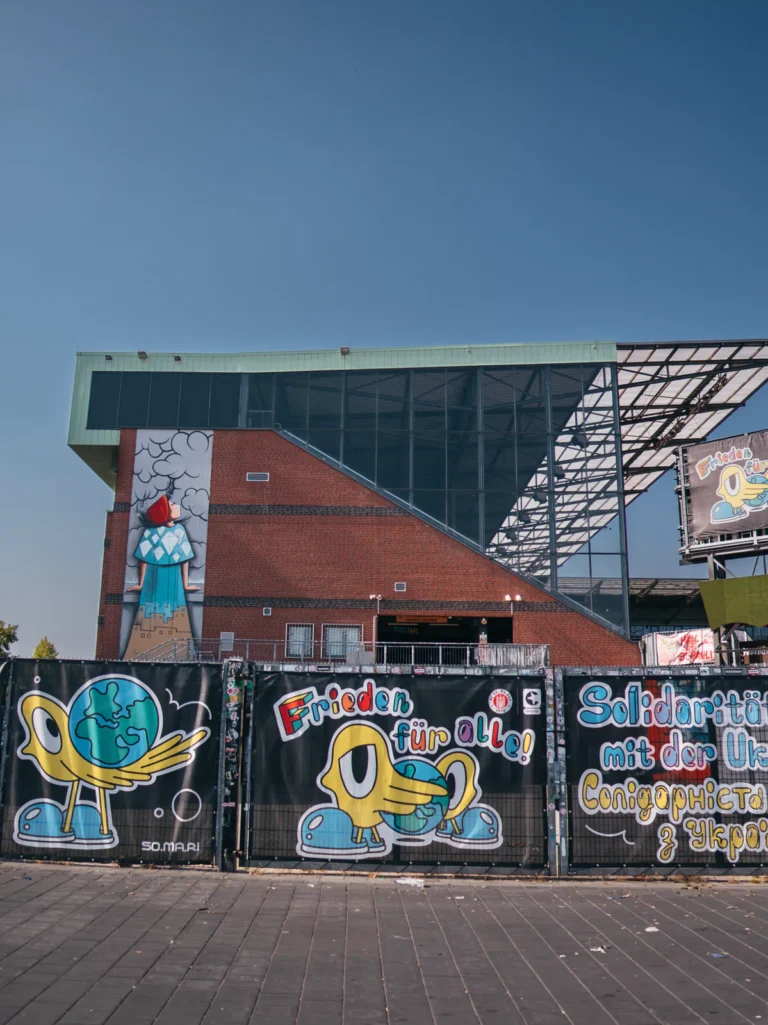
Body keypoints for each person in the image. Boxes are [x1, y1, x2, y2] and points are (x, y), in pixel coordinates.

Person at [123, 494, 199, 658]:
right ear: (164, 512)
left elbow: (184, 559)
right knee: (149, 612)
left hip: (174, 577)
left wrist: (185, 585)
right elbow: (144, 558)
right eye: (172, 505)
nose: (176, 506)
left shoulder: (180, 531)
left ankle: (180, 653)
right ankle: (143, 650)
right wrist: (141, 583)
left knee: (176, 612)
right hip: (154, 576)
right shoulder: (151, 532)